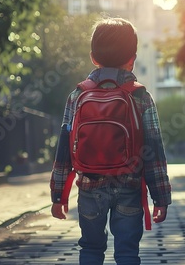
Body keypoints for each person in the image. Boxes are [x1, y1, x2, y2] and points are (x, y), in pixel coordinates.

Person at [49, 17, 172, 265]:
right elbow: (154, 149)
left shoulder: (78, 94)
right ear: (132, 58)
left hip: (89, 188)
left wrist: (58, 195)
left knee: (91, 249)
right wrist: (161, 198)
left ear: (93, 57)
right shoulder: (140, 95)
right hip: (128, 186)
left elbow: (64, 146)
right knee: (127, 253)